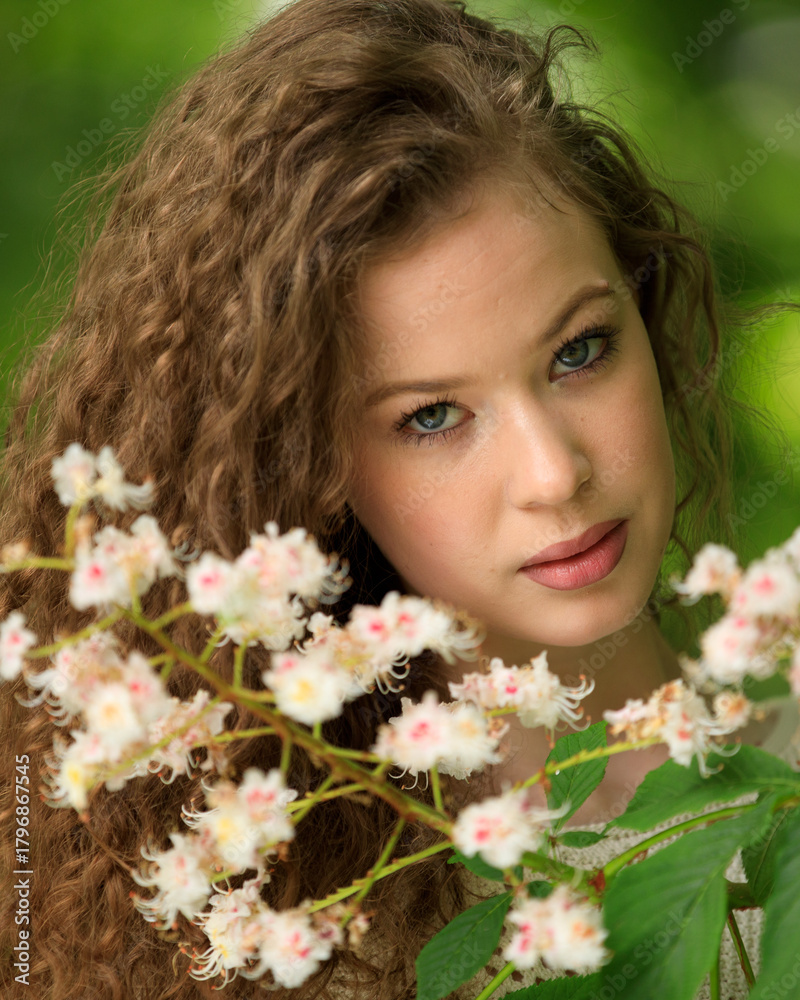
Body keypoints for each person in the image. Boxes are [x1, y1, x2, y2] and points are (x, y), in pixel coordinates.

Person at [0, 1, 797, 998]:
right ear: (305, 471)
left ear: (643, 311)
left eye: (577, 351)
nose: (553, 474)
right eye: (429, 417)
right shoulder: (297, 946)